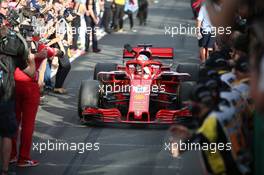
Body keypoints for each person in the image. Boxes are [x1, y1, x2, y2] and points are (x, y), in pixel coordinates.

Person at [0, 2, 37, 174]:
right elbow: (30, 72)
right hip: (6, 94)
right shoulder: (14, 45)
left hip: (8, 92)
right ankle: (6, 168)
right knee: (8, 132)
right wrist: (34, 60)